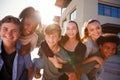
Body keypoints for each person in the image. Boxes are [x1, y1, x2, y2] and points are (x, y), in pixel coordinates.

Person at [0, 15, 33, 80]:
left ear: (19, 33)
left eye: (14, 30)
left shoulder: (24, 50)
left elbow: (30, 68)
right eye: (5, 29)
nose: (9, 34)